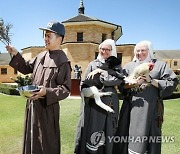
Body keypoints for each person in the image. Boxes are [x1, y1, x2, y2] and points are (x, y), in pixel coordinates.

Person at [6, 21, 71, 154]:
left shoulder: (63, 61)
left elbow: (65, 89)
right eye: (45, 35)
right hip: (33, 107)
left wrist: (46, 92)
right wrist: (15, 53)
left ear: (59, 39)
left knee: (46, 144)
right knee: (31, 141)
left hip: (48, 110)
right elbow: (25, 67)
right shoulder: (41, 56)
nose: (45, 39)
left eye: (49, 36)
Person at [113, 40, 178, 154]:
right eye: (137, 50)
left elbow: (172, 82)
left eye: (143, 50)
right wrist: (134, 84)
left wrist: (151, 81)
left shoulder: (159, 65)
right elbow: (121, 86)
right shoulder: (129, 67)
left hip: (151, 109)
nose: (140, 53)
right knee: (127, 138)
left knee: (150, 139)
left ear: (150, 51)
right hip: (131, 109)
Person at [74, 39, 124, 154]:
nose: (104, 51)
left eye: (108, 49)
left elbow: (117, 81)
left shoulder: (117, 66)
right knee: (93, 131)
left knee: (109, 132)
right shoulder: (92, 64)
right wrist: (90, 92)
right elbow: (83, 84)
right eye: (102, 49)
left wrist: (102, 73)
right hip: (94, 107)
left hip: (111, 103)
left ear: (112, 51)